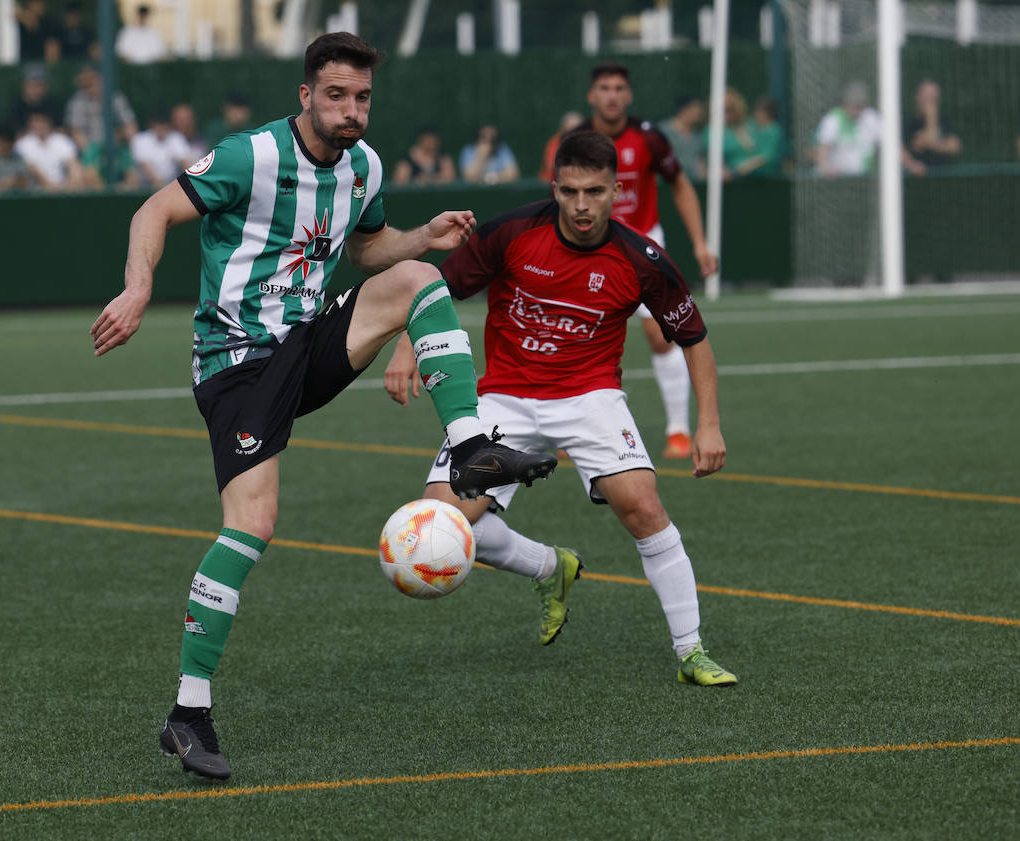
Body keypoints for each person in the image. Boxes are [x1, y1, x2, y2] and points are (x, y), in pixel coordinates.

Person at [88, 31, 558, 781]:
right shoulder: (251, 156)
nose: (350, 110)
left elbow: (370, 251)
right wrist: (139, 286)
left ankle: (470, 445)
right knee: (252, 525)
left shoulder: (364, 166)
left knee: (416, 281)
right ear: (305, 95)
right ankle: (188, 711)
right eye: (335, 95)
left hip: (309, 338)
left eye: (362, 97)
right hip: (239, 360)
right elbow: (153, 211)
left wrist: (421, 237)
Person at [383, 129, 737, 687]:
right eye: (569, 191)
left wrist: (708, 425)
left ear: (615, 190)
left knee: (642, 506)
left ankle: (691, 651)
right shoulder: (514, 231)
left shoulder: (640, 257)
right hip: (504, 396)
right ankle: (550, 566)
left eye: (594, 192)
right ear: (554, 186)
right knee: (438, 526)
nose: (580, 205)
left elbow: (693, 339)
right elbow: (434, 288)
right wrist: (407, 347)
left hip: (590, 395)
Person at [580, 61, 718, 461]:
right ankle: (568, 427)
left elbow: (679, 184)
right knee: (574, 334)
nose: (612, 95)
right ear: (592, 96)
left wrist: (699, 243)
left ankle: (678, 430)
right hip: (588, 248)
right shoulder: (576, 139)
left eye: (619, 87)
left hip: (641, 247)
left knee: (663, 335)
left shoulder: (649, 138)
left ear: (629, 95)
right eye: (604, 87)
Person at [815, 80, 880, 178]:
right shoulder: (833, 119)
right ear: (845, 103)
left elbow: (893, 146)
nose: (857, 112)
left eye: (860, 106)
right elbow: (823, 149)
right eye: (854, 106)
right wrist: (826, 167)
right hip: (837, 180)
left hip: (864, 180)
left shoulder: (871, 117)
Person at [14, 109, 90, 191]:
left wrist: (74, 180)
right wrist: (51, 186)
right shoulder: (22, 144)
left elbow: (73, 164)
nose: (40, 125)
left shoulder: (61, 140)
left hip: (62, 189)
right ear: (30, 123)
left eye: (43, 121)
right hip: (34, 191)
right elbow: (31, 168)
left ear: (49, 122)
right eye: (36, 121)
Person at [901, 79, 960, 177]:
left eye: (934, 98)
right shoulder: (909, 122)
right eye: (927, 97)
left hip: (945, 176)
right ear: (918, 97)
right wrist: (931, 119)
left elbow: (955, 146)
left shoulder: (944, 120)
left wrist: (931, 143)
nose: (930, 102)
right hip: (919, 177)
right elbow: (916, 145)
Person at [129, 107, 189, 189]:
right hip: (145, 188)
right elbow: (145, 166)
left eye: (165, 123)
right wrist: (159, 184)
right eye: (159, 123)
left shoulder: (176, 138)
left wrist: (191, 183)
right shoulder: (140, 139)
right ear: (153, 124)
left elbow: (184, 162)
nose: (162, 127)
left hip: (171, 187)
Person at [6, 64, 64, 134]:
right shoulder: (16, 106)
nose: (35, 89)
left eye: (39, 85)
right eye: (31, 85)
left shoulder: (53, 104)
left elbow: (60, 130)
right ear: (24, 86)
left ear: (46, 87)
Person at [658, 96, 705, 181]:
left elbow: (699, 162)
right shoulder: (662, 132)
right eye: (696, 107)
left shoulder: (697, 136)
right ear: (684, 110)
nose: (699, 112)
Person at [537, 110, 585, 183]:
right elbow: (551, 168)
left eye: (577, 130)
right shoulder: (555, 143)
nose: (573, 134)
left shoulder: (588, 143)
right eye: (569, 130)